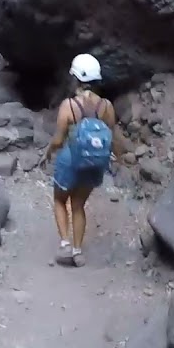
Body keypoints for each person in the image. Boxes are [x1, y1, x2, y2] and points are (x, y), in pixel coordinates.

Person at [42, 53, 125, 267]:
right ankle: (78, 252)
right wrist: (121, 157)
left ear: (76, 78)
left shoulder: (68, 106)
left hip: (70, 159)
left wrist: (49, 151)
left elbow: (59, 140)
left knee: (60, 200)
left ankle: (64, 244)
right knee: (78, 205)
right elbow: (113, 136)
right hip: (94, 163)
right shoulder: (106, 106)